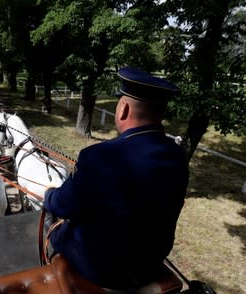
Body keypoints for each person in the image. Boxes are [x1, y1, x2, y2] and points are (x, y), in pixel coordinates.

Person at [43, 67, 189, 290]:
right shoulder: (177, 157)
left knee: (51, 230)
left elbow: (64, 205)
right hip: (149, 262)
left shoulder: (100, 156)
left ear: (124, 108)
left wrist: (49, 194)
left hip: (103, 269)